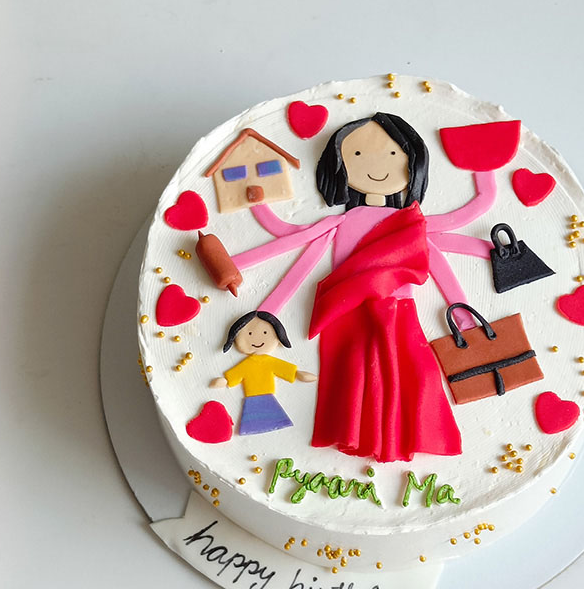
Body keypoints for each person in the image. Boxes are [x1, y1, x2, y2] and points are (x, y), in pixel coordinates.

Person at [199, 113, 501, 461]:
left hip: (398, 312)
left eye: (393, 155)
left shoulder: (411, 221)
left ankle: (406, 437)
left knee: (412, 372)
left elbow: (456, 232)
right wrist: (258, 204)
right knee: (353, 377)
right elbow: (289, 237)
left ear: (412, 163)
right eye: (356, 154)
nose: (377, 164)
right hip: (345, 314)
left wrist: (486, 175)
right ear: (338, 166)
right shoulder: (343, 221)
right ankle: (354, 435)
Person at [210, 310, 316, 435]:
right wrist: (225, 381)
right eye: (249, 333)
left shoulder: (268, 361)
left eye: (265, 333)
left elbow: (286, 370)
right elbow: (233, 377)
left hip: (267, 398)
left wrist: (297, 374)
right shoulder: (247, 364)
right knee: (257, 421)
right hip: (253, 400)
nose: (257, 338)